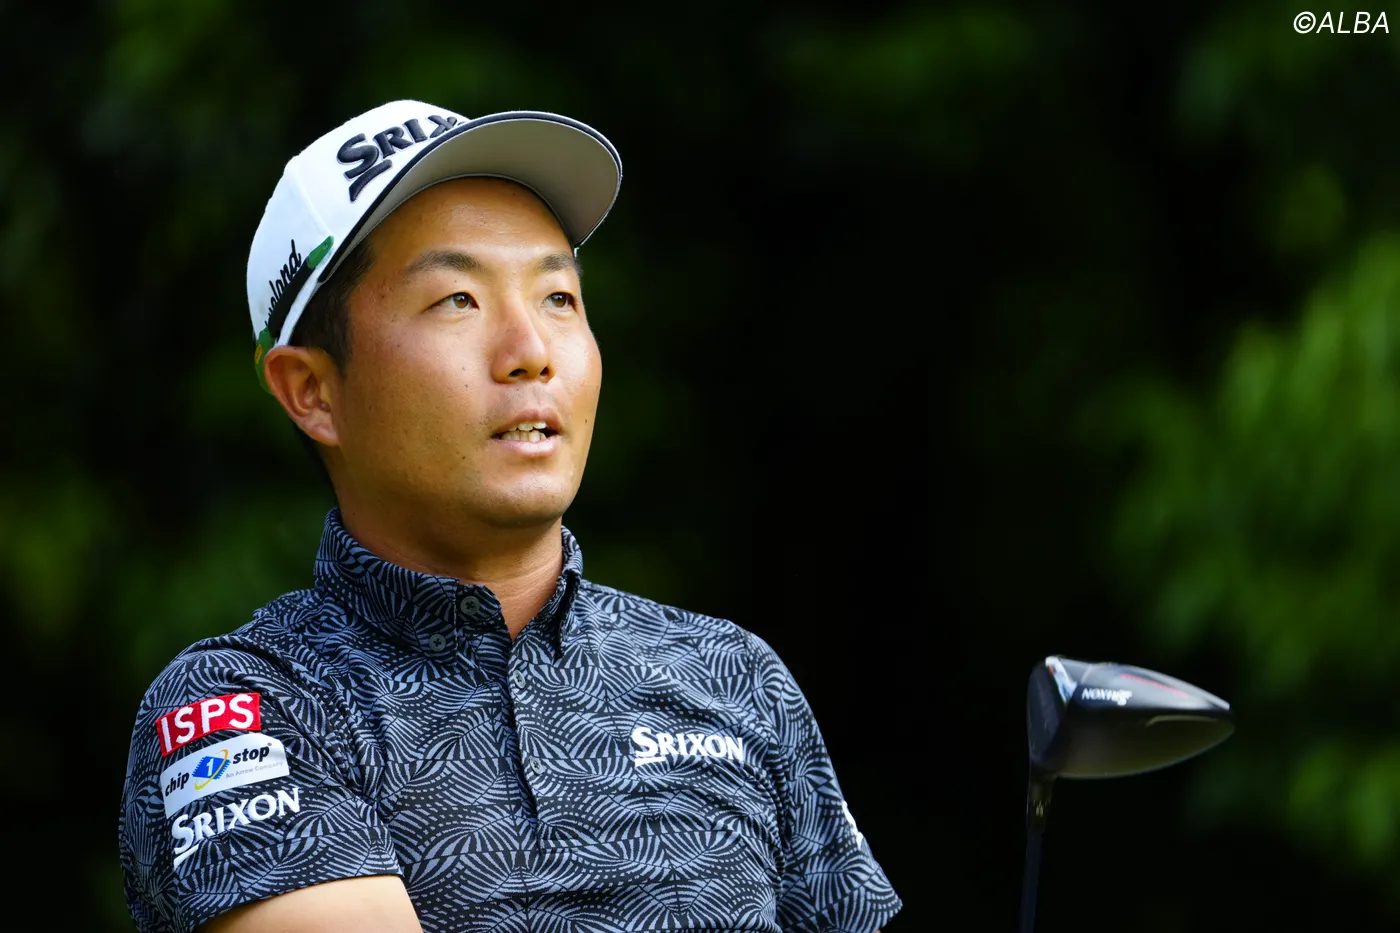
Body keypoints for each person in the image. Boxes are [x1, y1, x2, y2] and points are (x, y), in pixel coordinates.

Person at [117, 99, 902, 933]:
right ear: (313, 391)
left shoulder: (732, 675)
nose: (532, 350)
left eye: (559, 296)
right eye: (457, 299)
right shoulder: (240, 707)